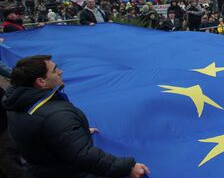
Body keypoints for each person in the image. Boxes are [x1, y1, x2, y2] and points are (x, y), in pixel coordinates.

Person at [1, 55, 150, 178]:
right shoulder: (55, 115)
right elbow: (83, 156)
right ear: (41, 81)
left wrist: (73, 133)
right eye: (54, 71)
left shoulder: (16, 104)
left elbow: (44, 133)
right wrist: (127, 167)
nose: (60, 71)